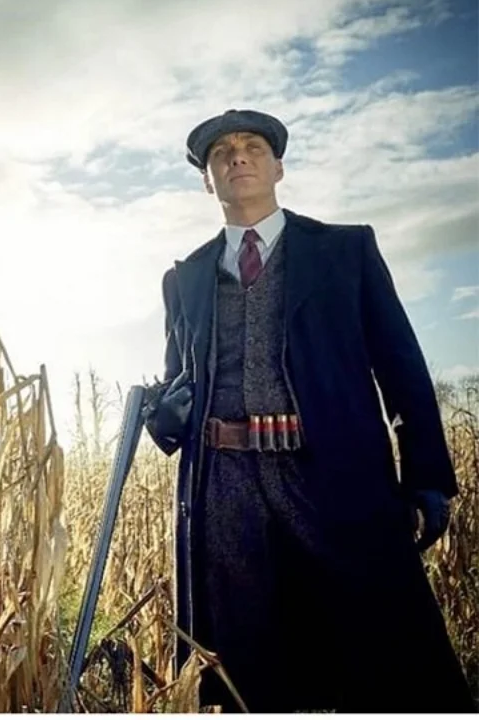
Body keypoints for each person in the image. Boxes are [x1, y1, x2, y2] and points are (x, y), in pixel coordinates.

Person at [144, 108, 474, 712]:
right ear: (207, 181)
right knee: (245, 664)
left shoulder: (345, 251)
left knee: (378, 651)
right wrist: (163, 416)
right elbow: (175, 379)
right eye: (221, 153)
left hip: (333, 476)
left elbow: (400, 363)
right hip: (225, 491)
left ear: (278, 167)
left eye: (251, 147)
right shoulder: (183, 278)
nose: (236, 157)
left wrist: (426, 475)